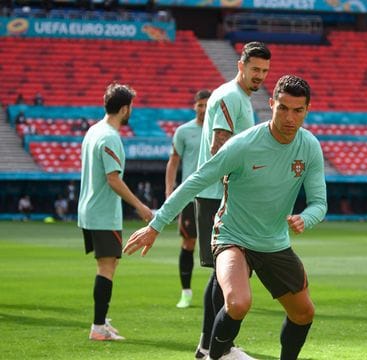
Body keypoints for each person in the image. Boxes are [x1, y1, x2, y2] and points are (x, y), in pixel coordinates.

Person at [124, 75, 327, 360]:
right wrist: (156, 225)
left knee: (304, 312)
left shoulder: (309, 147)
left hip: (273, 242)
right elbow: (195, 181)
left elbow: (319, 203)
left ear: (307, 110)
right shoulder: (244, 144)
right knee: (238, 302)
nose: (289, 117)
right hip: (233, 237)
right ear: (271, 104)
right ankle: (215, 355)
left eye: (297, 110)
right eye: (283, 108)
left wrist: (306, 218)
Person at [191, 41, 270, 360]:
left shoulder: (240, 98)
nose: (260, 76)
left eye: (264, 71)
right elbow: (218, 147)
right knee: (223, 272)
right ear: (241, 65)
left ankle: (209, 345)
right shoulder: (229, 97)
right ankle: (215, 347)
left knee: (220, 272)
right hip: (217, 195)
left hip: (220, 194)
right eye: (255, 70)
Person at [77, 83, 153, 341]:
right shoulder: (110, 136)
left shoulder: (93, 131)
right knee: (107, 267)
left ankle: (101, 318)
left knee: (108, 264)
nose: (131, 110)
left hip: (89, 209)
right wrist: (140, 206)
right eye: (131, 106)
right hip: (102, 213)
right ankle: (98, 328)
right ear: (124, 109)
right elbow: (113, 179)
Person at [165, 89, 211, 308]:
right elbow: (173, 161)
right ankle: (186, 292)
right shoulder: (184, 131)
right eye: (200, 105)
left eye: (207, 104)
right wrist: (169, 192)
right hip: (191, 195)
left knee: (224, 245)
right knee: (188, 242)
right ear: (195, 106)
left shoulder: (219, 131)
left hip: (216, 195)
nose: (203, 109)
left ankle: (222, 293)